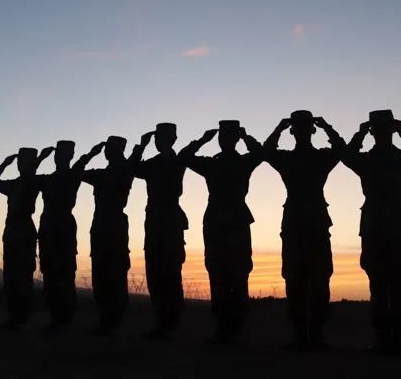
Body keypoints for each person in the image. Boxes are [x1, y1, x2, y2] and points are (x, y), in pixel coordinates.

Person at [342, 110, 401, 353]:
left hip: (382, 227)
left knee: (389, 286)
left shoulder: (376, 161)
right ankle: (392, 340)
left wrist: (361, 133)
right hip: (388, 227)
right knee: (389, 286)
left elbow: (347, 155)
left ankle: (393, 340)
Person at [264, 111, 344, 349]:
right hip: (301, 225)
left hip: (306, 225)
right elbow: (341, 149)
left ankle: (313, 333)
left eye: (302, 127)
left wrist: (279, 129)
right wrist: (326, 127)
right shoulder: (316, 158)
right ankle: (303, 333)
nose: (300, 131)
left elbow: (267, 151)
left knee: (315, 280)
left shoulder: (297, 159)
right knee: (297, 280)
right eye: (299, 127)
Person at [180, 121, 263, 343]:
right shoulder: (213, 163)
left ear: (234, 139)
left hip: (233, 222)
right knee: (218, 275)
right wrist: (202, 140)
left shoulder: (241, 162)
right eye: (221, 137)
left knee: (238, 275)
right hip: (218, 224)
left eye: (228, 136)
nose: (223, 140)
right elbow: (184, 158)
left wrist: (245, 137)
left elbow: (261, 154)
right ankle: (223, 327)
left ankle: (236, 327)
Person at [81, 135, 147, 334]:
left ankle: (113, 322)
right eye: (106, 149)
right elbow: (76, 173)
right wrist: (91, 154)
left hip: (115, 227)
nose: (106, 152)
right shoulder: (100, 174)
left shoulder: (126, 169)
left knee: (115, 274)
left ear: (119, 150)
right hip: (100, 228)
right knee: (100, 276)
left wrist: (140, 146)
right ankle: (105, 321)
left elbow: (133, 161)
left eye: (111, 148)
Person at [38, 140, 105, 330]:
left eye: (63, 153)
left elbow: (82, 162)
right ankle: (55, 316)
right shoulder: (47, 179)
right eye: (57, 154)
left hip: (64, 228)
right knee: (49, 272)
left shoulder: (73, 175)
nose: (58, 157)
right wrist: (40, 158)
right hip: (47, 228)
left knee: (65, 272)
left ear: (70, 156)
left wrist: (93, 152)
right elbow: (29, 176)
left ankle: (65, 316)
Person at [0, 146, 53, 328]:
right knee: (11, 277)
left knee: (23, 277)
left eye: (23, 162)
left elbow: (29, 179)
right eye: (19, 162)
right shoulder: (14, 184)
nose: (19, 165)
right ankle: (14, 317)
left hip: (23, 233)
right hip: (12, 234)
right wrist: (3, 165)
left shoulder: (33, 182)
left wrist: (39, 160)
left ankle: (21, 317)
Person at [134, 123, 188, 338]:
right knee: (154, 275)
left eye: (162, 139)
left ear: (173, 139)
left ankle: (171, 323)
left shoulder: (179, 160)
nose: (159, 143)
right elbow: (131, 168)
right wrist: (141, 146)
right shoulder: (152, 164)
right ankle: (161, 322)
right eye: (157, 140)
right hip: (154, 224)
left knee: (171, 273)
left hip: (171, 223)